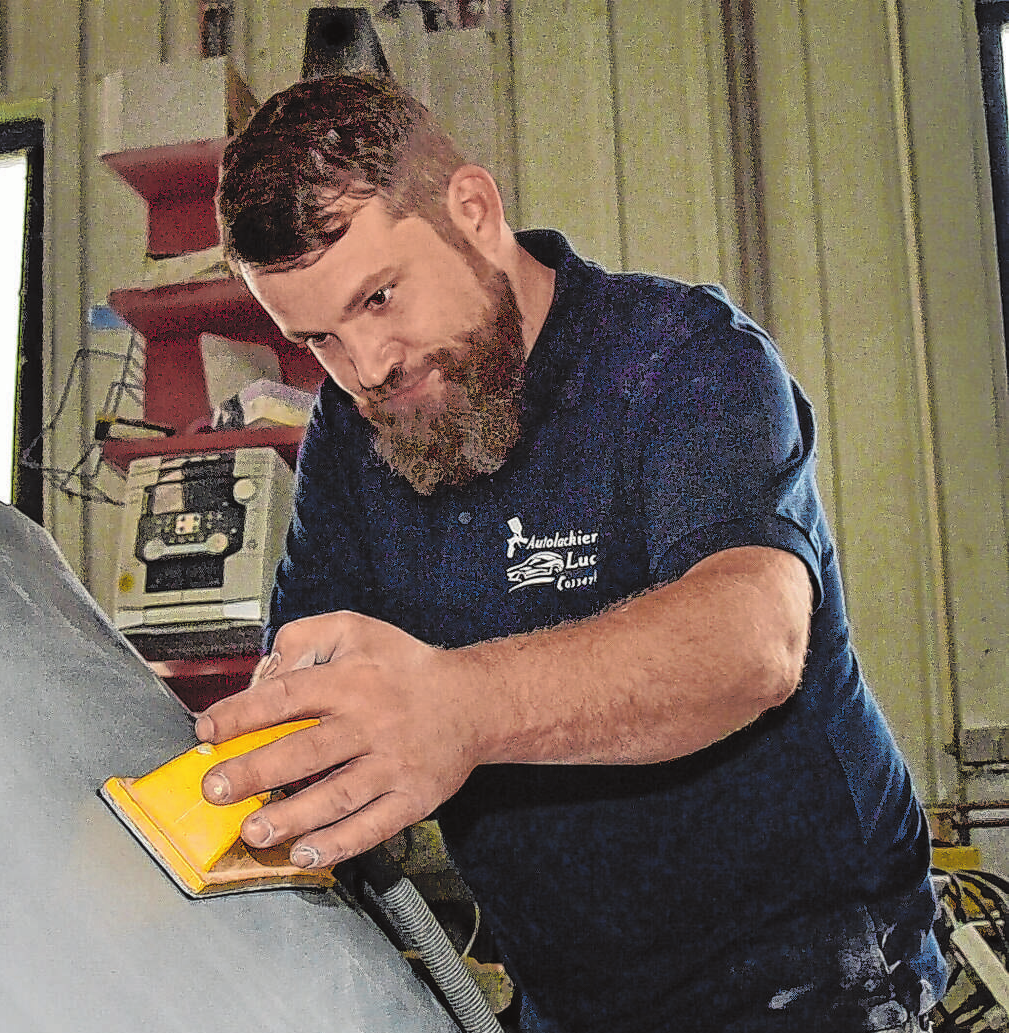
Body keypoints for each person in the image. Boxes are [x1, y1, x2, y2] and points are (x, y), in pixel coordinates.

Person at [197, 74, 947, 1033]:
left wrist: (458, 709)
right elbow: (302, 687)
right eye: (319, 341)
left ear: (472, 211)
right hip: (574, 1001)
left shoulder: (682, 359)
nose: (366, 366)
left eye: (380, 297)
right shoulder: (353, 434)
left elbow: (748, 640)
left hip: (814, 977)